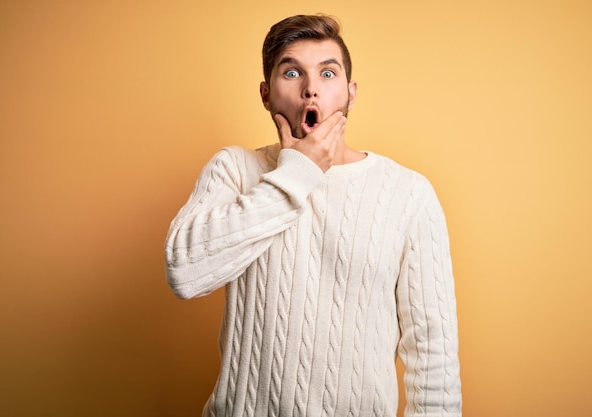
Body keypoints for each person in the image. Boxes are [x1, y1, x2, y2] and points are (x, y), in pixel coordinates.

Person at [165, 14, 461, 417]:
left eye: (327, 72)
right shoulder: (233, 169)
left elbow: (433, 353)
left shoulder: (408, 193)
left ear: (351, 94)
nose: (310, 90)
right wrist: (297, 174)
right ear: (267, 95)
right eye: (292, 72)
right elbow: (185, 273)